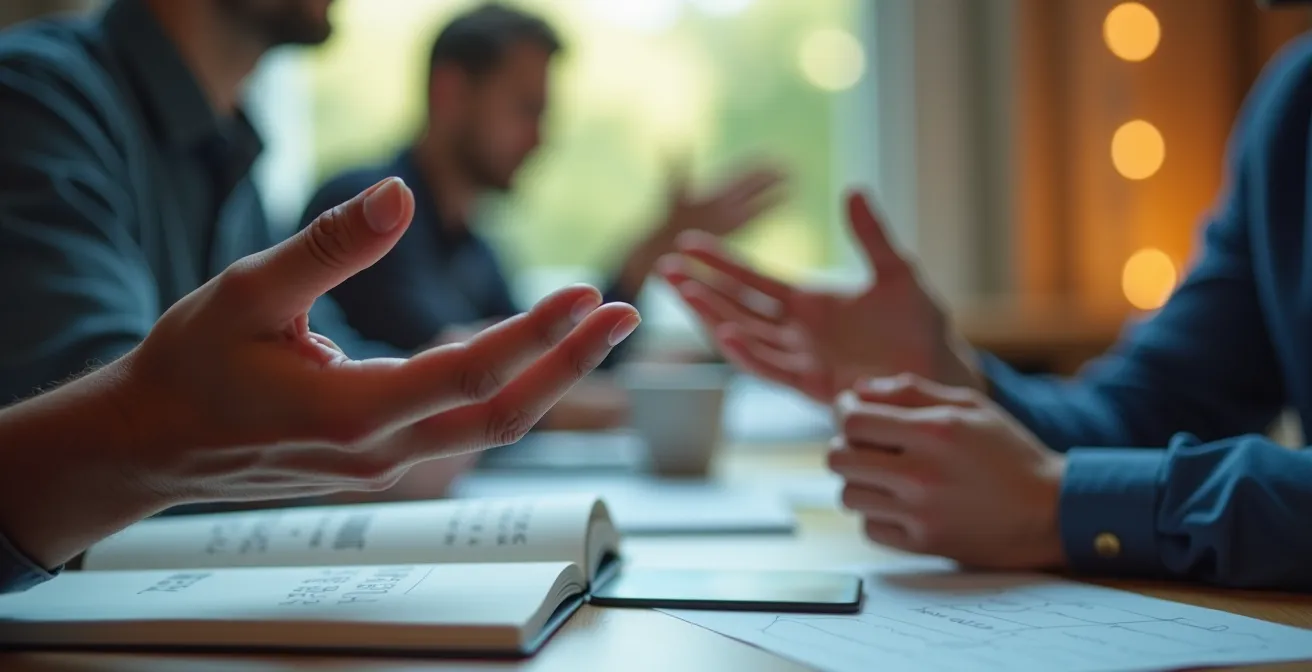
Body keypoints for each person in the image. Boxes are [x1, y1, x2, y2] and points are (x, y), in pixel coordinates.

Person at [659, 36, 1312, 590]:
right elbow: (1149, 414)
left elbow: (1088, 473)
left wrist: (1057, 504)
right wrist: (954, 384)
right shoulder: (1294, 108)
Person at [0, 177, 641, 594]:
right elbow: (69, 380)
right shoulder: (42, 104)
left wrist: (391, 418)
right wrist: (137, 433)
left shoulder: (236, 176)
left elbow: (327, 360)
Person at [0, 0, 481, 498]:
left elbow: (318, 351)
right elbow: (98, 429)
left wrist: (431, 383)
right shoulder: (36, 102)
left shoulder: (229, 157)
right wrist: (377, 439)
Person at [300, 3, 784, 425]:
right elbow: (474, 383)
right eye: (526, 109)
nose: (541, 138)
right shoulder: (368, 213)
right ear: (451, 93)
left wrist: (655, 249)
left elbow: (550, 362)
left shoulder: (475, 250)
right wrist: (655, 401)